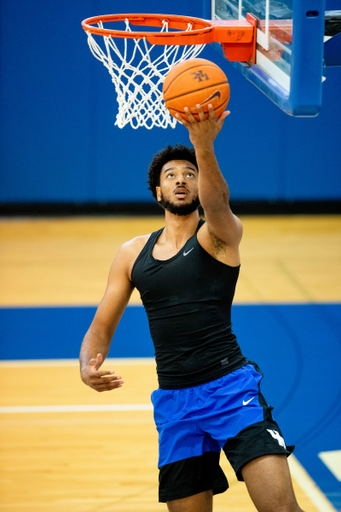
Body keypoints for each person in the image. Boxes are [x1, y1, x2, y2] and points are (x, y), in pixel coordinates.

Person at [80, 104, 304, 512]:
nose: (181, 180)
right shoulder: (132, 253)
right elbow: (102, 322)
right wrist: (87, 364)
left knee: (281, 509)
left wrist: (203, 146)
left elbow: (218, 205)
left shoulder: (219, 237)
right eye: (171, 176)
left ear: (201, 185)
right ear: (157, 193)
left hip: (230, 390)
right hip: (176, 404)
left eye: (190, 174)